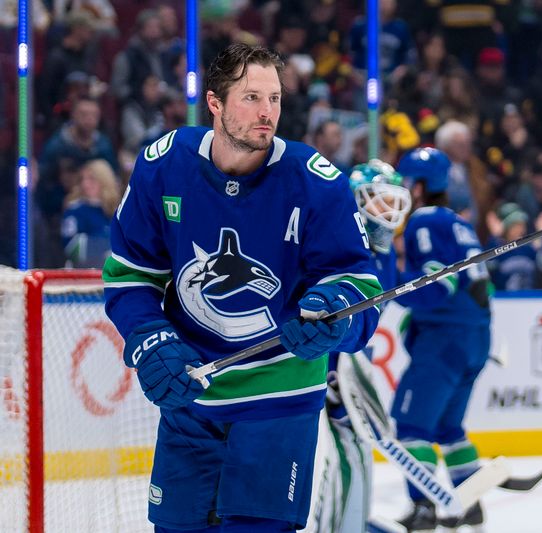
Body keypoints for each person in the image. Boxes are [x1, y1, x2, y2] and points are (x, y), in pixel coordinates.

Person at [102, 43, 382, 533]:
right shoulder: (164, 166)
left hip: (281, 397)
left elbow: (357, 286)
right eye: (252, 97)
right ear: (215, 102)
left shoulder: (316, 182)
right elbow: (130, 276)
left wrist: (333, 314)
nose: (267, 112)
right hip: (192, 392)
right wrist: (151, 339)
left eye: (274, 98)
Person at [304, 159, 411, 533]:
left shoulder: (385, 257)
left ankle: (349, 522)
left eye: (392, 202)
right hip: (321, 366)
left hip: (349, 365)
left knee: (354, 444)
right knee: (346, 446)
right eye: (379, 201)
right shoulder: (340, 244)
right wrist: (331, 368)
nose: (388, 211)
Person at [390, 147, 492, 531]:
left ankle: (423, 508)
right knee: (449, 429)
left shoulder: (424, 221)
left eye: (405, 181)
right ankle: (470, 501)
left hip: (444, 339)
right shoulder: (458, 222)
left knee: (413, 426)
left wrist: (393, 288)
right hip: (474, 339)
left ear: (419, 186)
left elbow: (437, 284)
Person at [61, 159, 120, 268]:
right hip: (82, 275)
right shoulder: (74, 211)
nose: (85, 184)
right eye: (82, 179)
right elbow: (72, 248)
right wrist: (109, 245)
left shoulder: (118, 212)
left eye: (92, 179)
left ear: (104, 181)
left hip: (112, 275)